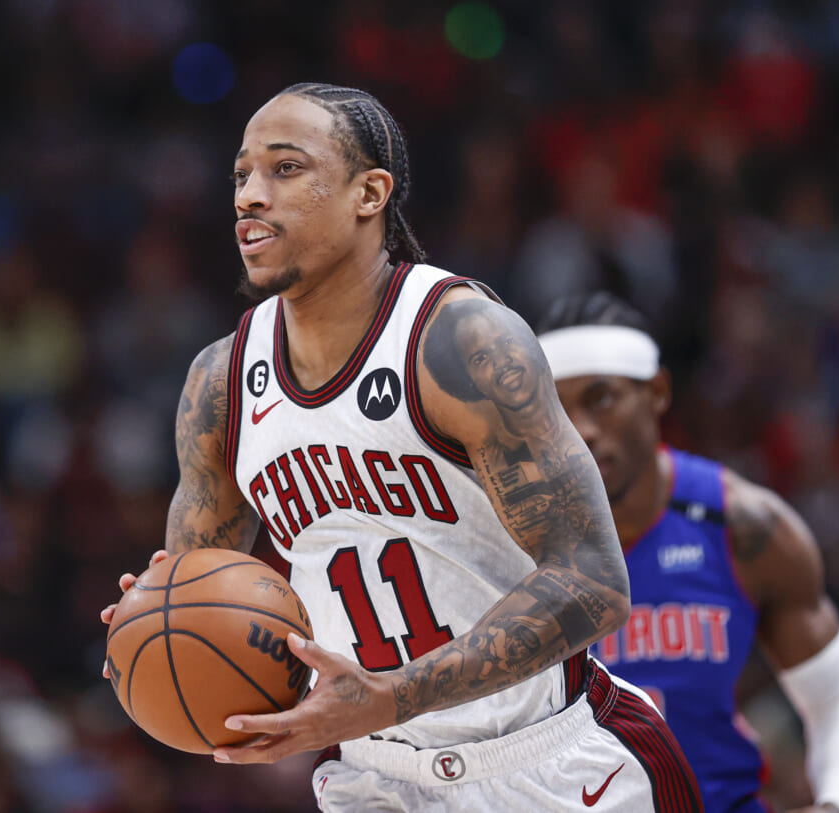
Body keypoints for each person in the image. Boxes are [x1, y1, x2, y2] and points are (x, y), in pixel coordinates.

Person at [101, 83, 702, 812]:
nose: (250, 195)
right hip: (374, 776)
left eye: (285, 168)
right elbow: (199, 595)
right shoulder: (220, 384)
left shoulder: (461, 341)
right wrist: (152, 625)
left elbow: (594, 581)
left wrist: (390, 695)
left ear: (369, 193)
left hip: (549, 763)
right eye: (241, 175)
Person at [535, 291, 839, 813]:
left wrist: (838, 805)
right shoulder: (513, 544)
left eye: (601, 398)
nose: (582, 430)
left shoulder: (743, 526)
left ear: (656, 391)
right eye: (558, 409)